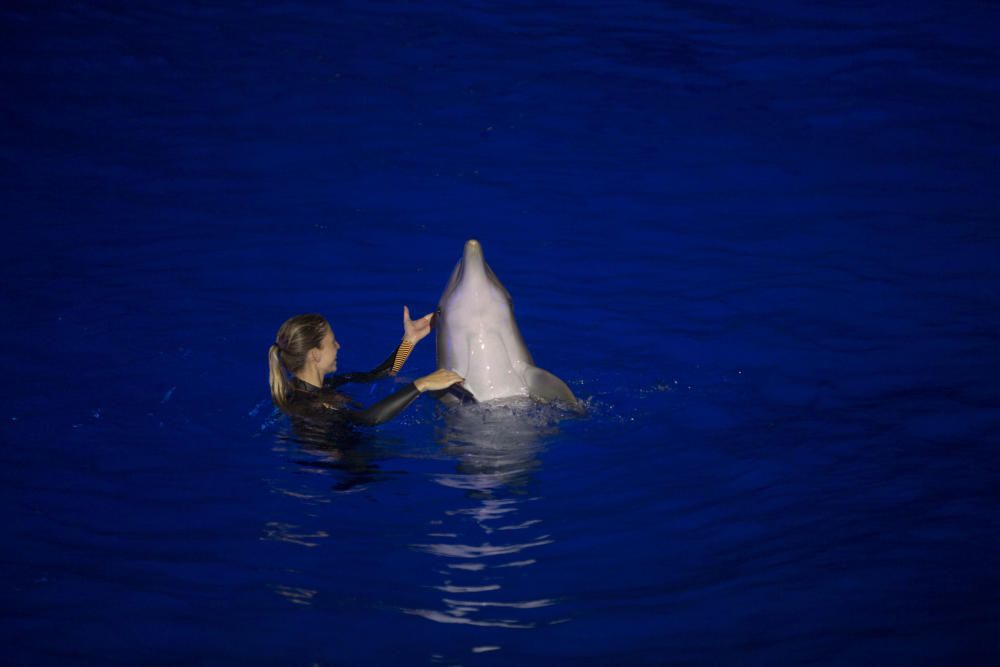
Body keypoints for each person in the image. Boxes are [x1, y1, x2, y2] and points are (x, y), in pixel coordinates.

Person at [267, 307, 464, 426]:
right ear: (315, 354)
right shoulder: (305, 406)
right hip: (346, 474)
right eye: (332, 342)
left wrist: (409, 341)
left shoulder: (328, 385)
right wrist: (421, 384)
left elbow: (381, 374)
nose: (338, 346)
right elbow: (367, 420)